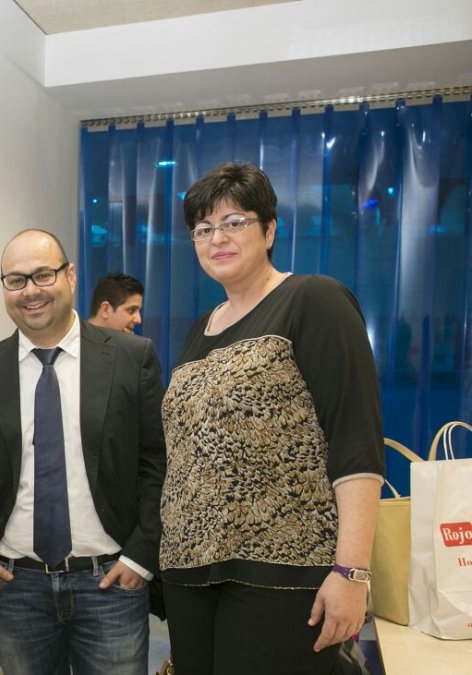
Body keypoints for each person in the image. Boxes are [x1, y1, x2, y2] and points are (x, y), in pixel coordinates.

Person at [161, 162, 384, 674]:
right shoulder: (202, 327)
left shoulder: (313, 299)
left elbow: (356, 442)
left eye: (234, 221)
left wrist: (352, 573)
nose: (217, 237)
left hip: (282, 573)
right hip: (190, 575)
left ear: (270, 230)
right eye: (203, 228)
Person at [0, 229, 166, 675]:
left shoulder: (132, 357)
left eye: (43, 275)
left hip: (110, 582)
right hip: (14, 587)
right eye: (15, 280)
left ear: (70, 275)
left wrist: (141, 556)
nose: (30, 290)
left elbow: (157, 463)